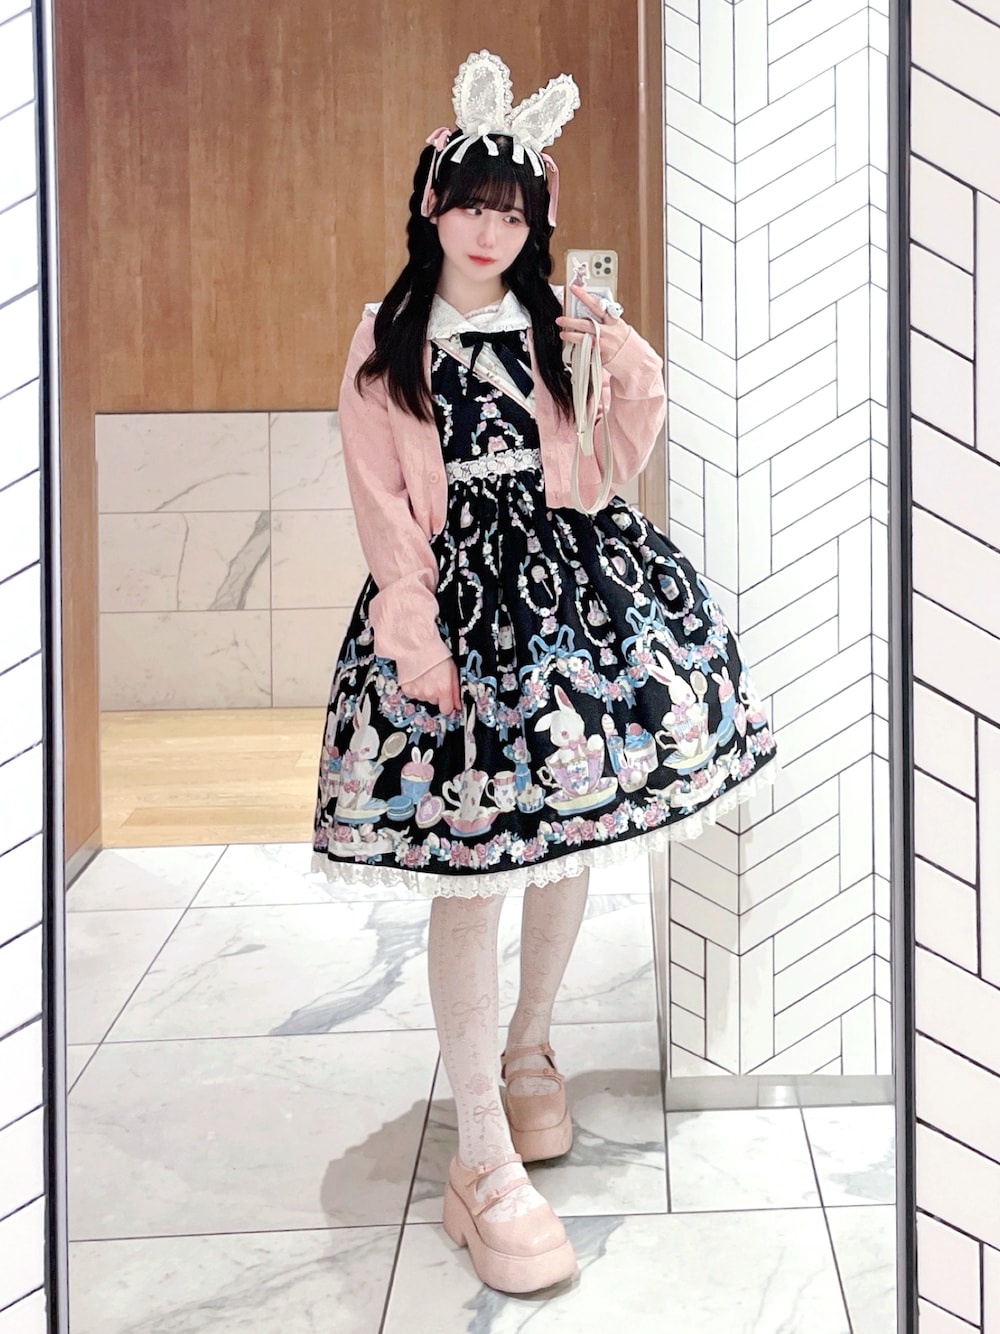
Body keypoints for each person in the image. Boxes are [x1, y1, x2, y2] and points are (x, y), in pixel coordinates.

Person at [312, 51, 777, 1294]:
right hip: (455, 612)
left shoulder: (553, 321)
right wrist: (417, 642)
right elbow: (382, 507)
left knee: (564, 841)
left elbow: (613, 460)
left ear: (535, 226)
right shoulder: (385, 339)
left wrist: (619, 355)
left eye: (511, 214)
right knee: (470, 872)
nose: (489, 231)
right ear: (430, 207)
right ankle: (479, 1148)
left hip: (569, 596)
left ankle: (529, 1051)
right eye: (471, 205)